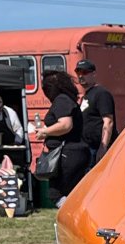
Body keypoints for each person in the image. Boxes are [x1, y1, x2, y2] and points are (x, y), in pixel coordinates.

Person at [32, 71, 91, 205]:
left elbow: (65, 125)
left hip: (68, 154)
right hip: (74, 153)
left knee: (56, 194)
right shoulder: (67, 100)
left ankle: (72, 216)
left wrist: (45, 132)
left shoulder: (61, 100)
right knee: (72, 192)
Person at [74, 59, 115, 160]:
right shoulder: (85, 96)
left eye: (84, 72)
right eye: (78, 72)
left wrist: (103, 147)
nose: (80, 76)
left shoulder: (101, 94)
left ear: (93, 74)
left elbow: (108, 121)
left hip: (97, 148)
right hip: (86, 148)